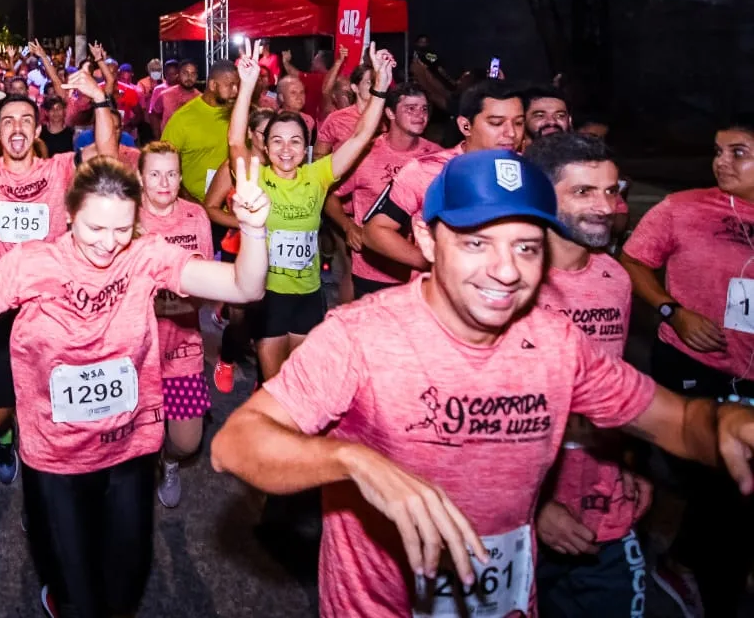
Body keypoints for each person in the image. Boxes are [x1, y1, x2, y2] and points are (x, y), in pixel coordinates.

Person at [209, 148, 754, 618]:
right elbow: (237, 443)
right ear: (426, 238)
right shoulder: (361, 336)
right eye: (476, 243)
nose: (507, 270)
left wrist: (723, 422)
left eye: (526, 246)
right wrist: (351, 461)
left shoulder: (555, 342)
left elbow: (679, 422)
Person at [0, 155, 271, 617]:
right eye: (95, 228)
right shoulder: (33, 265)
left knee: (128, 579)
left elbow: (245, 287)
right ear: (69, 214)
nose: (108, 244)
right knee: (79, 596)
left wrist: (254, 230)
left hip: (129, 447)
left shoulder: (145, 256)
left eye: (121, 230)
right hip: (56, 457)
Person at [0, 54, 119, 485]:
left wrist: (100, 100)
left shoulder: (60, 169)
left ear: (37, 131)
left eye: (24, 122)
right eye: (7, 122)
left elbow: (107, 152)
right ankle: (5, 438)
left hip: (51, 306)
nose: (16, 129)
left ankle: (46, 467)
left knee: (54, 401)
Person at [619, 114, 754, 617]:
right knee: (721, 485)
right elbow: (634, 261)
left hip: (750, 371)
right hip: (693, 362)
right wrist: (675, 311)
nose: (722, 161)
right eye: (718, 151)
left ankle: (684, 557)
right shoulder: (683, 208)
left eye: (737, 152)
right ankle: (712, 589)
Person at [519, 132, 651, 618]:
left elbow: (616, 382)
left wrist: (631, 461)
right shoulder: (508, 285)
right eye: (583, 192)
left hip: (606, 511)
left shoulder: (613, 278)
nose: (606, 207)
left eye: (612, 191)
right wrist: (536, 510)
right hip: (522, 522)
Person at [220, 45, 396, 385]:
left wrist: (380, 89)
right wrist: (247, 84)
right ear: (267, 148)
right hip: (268, 294)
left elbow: (361, 137)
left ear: (306, 148)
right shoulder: (256, 175)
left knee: (301, 383)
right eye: (278, 142)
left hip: (308, 294)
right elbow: (234, 140)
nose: (286, 150)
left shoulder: (317, 176)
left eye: (295, 142)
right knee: (274, 385)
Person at [363, 78, 524, 275]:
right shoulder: (428, 171)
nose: (511, 133)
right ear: (466, 126)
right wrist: (432, 263)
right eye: (496, 123)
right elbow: (375, 231)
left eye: (519, 123)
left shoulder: (531, 172)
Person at [136, 142, 216, 509]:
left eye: (171, 173)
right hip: (135, 348)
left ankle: (168, 462)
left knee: (186, 442)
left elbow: (207, 280)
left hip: (183, 345)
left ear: (181, 177)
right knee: (132, 435)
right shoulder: (130, 217)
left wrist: (169, 301)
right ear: (139, 178)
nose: (163, 182)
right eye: (154, 173)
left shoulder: (195, 216)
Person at [323, 82, 441, 298]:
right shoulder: (365, 154)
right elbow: (328, 193)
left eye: (424, 109)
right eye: (411, 108)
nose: (419, 115)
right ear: (390, 112)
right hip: (372, 268)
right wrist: (348, 226)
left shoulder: (436, 156)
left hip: (419, 272)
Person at [161, 59, 241, 204]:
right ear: (212, 85)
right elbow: (164, 163)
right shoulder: (183, 118)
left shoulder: (238, 115)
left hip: (233, 206)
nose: (235, 92)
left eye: (237, 86)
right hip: (196, 205)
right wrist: (189, 201)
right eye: (230, 85)